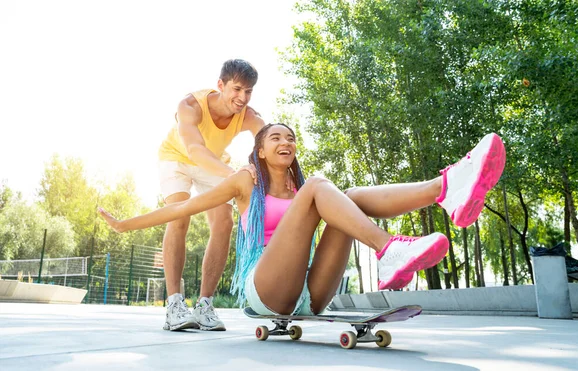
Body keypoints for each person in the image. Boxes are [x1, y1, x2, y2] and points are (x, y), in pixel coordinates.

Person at [100, 124, 505, 319]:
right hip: (265, 292)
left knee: (350, 199)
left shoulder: (305, 193)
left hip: (309, 294)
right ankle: (388, 249)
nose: (285, 143)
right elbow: (181, 210)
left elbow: (333, 203)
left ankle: (446, 187)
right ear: (259, 150)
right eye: (275, 137)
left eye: (290, 138)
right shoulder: (245, 183)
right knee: (322, 188)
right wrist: (125, 225)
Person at [156, 59, 265, 331]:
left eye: (248, 91)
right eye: (237, 89)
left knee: (224, 223)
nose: (242, 98)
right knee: (180, 215)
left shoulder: (248, 115)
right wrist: (235, 174)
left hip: (214, 161)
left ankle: (205, 305)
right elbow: (194, 150)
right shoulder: (190, 106)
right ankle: (174, 305)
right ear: (220, 85)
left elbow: (268, 137)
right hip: (177, 159)